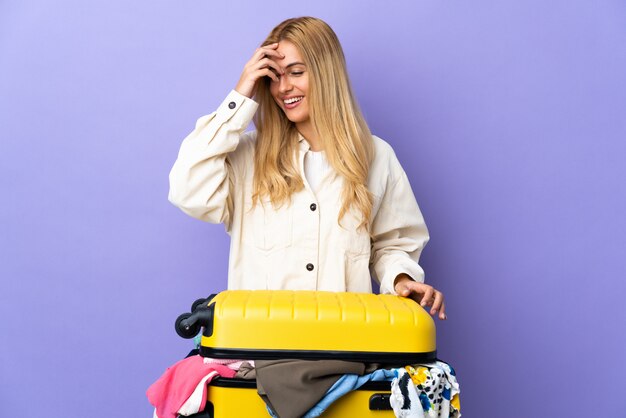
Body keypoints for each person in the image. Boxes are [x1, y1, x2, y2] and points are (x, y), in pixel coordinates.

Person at [168, 16, 446, 320]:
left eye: (296, 72)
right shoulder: (247, 156)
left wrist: (401, 280)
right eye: (273, 77)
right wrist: (240, 95)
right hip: (262, 346)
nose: (283, 88)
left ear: (326, 73)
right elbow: (188, 191)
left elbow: (393, 245)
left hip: (343, 345)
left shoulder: (376, 156)